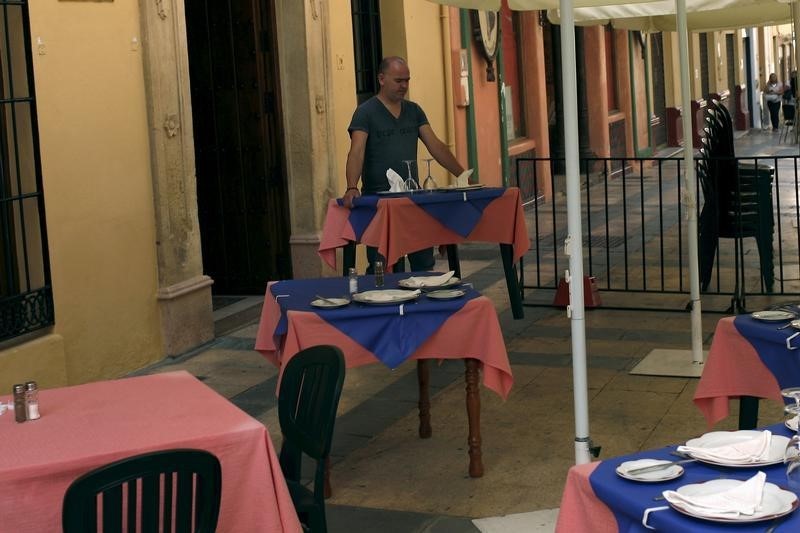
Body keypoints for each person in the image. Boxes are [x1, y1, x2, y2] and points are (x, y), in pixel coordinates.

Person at [343, 56, 465, 272]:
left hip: (412, 201)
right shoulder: (366, 112)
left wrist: (464, 177)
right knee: (383, 264)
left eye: (407, 80)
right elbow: (356, 151)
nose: (404, 86)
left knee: (424, 262)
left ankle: (423, 302)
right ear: (382, 78)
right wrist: (352, 186)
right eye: (398, 80)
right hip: (379, 203)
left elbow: (436, 146)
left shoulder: (414, 111)